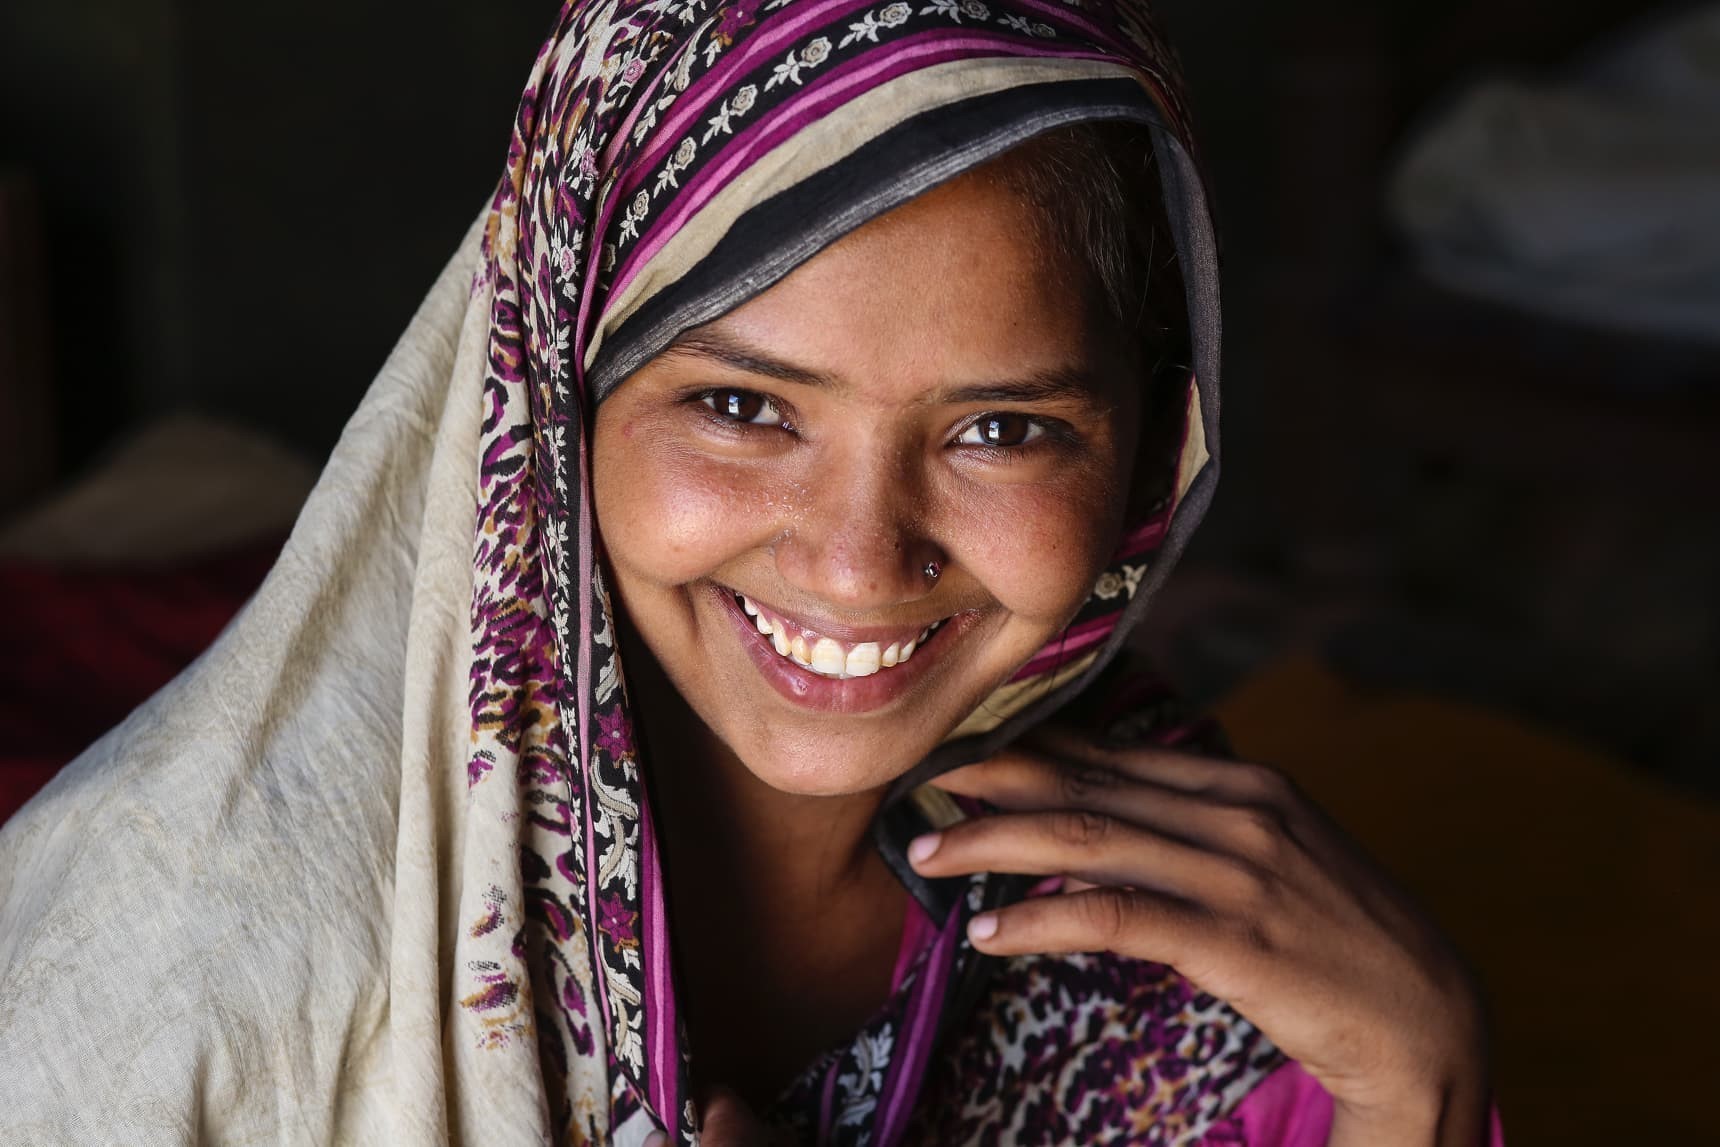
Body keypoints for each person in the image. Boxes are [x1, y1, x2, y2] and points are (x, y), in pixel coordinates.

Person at [0, 0, 1504, 1143]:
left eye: (1001, 427)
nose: (860, 561)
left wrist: (1416, 1069)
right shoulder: (176, 970)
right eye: (742, 406)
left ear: (1150, 447)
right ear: (545, 399)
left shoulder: (1171, 908)